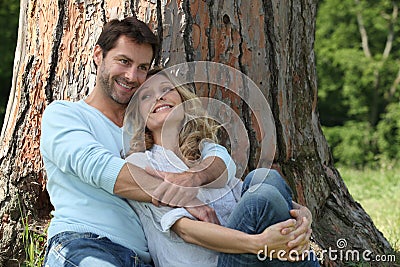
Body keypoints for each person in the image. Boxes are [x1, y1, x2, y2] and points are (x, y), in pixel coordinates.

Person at [40, 17, 237, 267]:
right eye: (124, 61)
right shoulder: (65, 115)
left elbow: (220, 160)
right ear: (98, 55)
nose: (132, 76)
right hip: (86, 242)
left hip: (144, 258)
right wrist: (180, 196)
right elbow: (99, 167)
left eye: (142, 67)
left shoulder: (147, 127)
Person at [123, 69, 320, 266]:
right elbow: (185, 230)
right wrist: (258, 243)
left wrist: (301, 213)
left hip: (250, 255)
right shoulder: (141, 163)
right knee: (262, 196)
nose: (159, 96)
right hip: (215, 262)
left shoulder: (206, 149)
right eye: (146, 96)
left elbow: (234, 179)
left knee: (265, 178)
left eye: (166, 88)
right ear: (138, 117)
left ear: (183, 100)